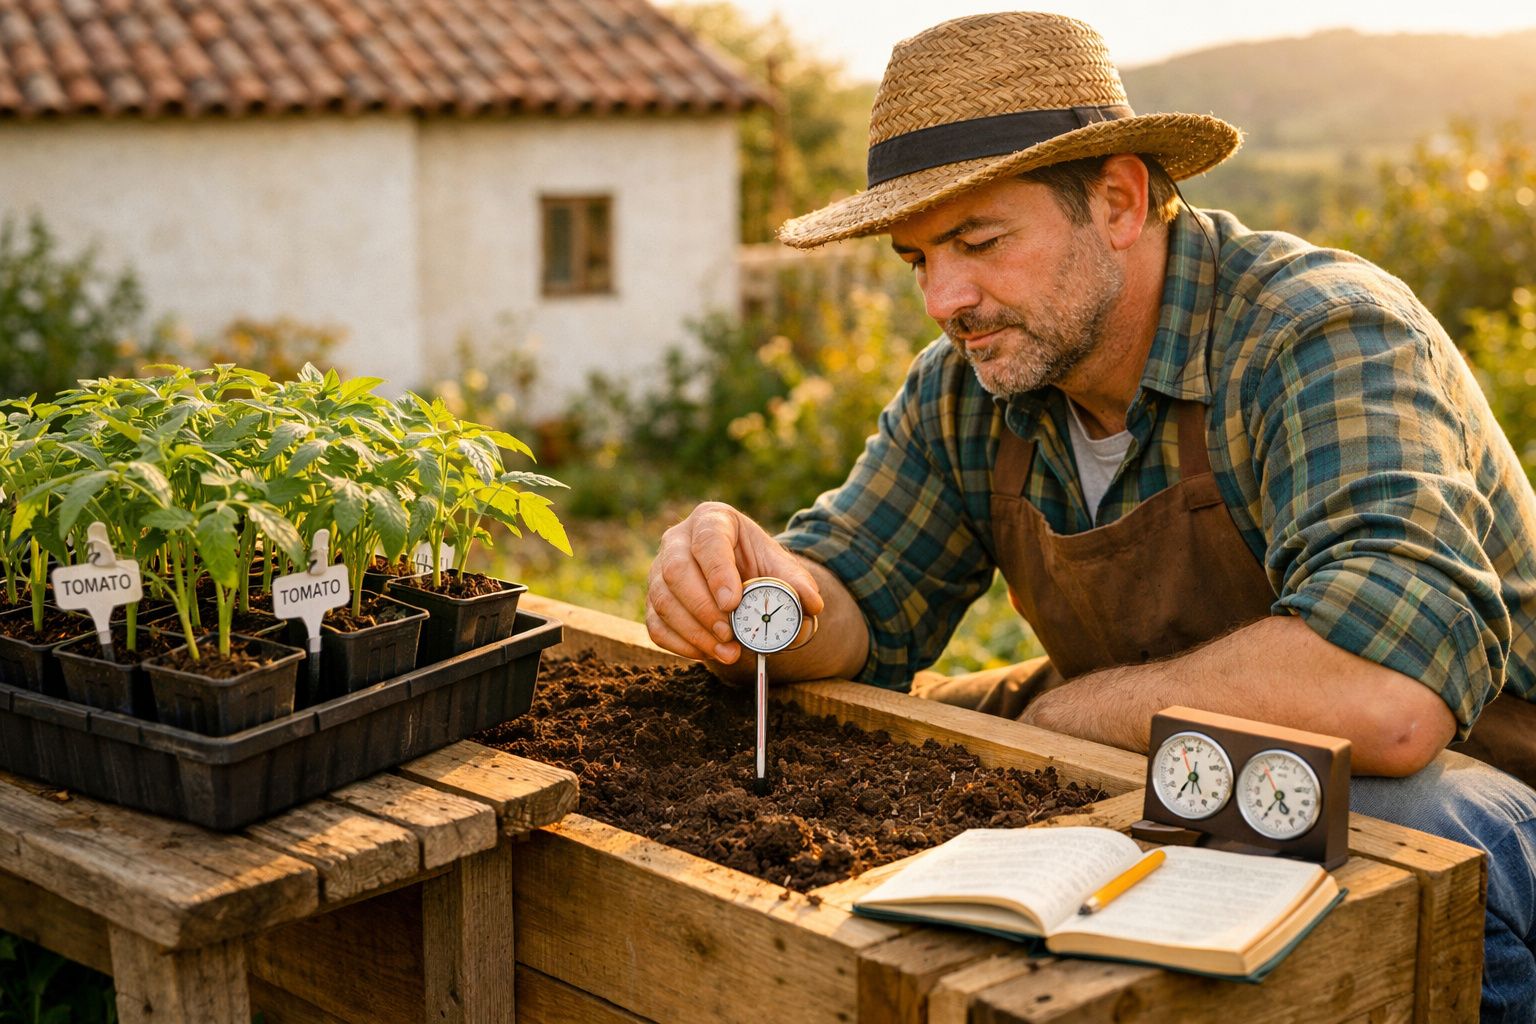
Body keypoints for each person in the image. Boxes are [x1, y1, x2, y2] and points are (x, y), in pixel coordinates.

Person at [644, 12, 1536, 1018]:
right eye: (918, 259)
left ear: (1119, 199)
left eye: (979, 241)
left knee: (1408, 818)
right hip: (1198, 750)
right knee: (927, 735)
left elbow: (1388, 696)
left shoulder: (1317, 334)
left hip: (1489, 780)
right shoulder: (971, 389)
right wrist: (763, 590)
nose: (945, 297)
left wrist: (1073, 716)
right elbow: (858, 596)